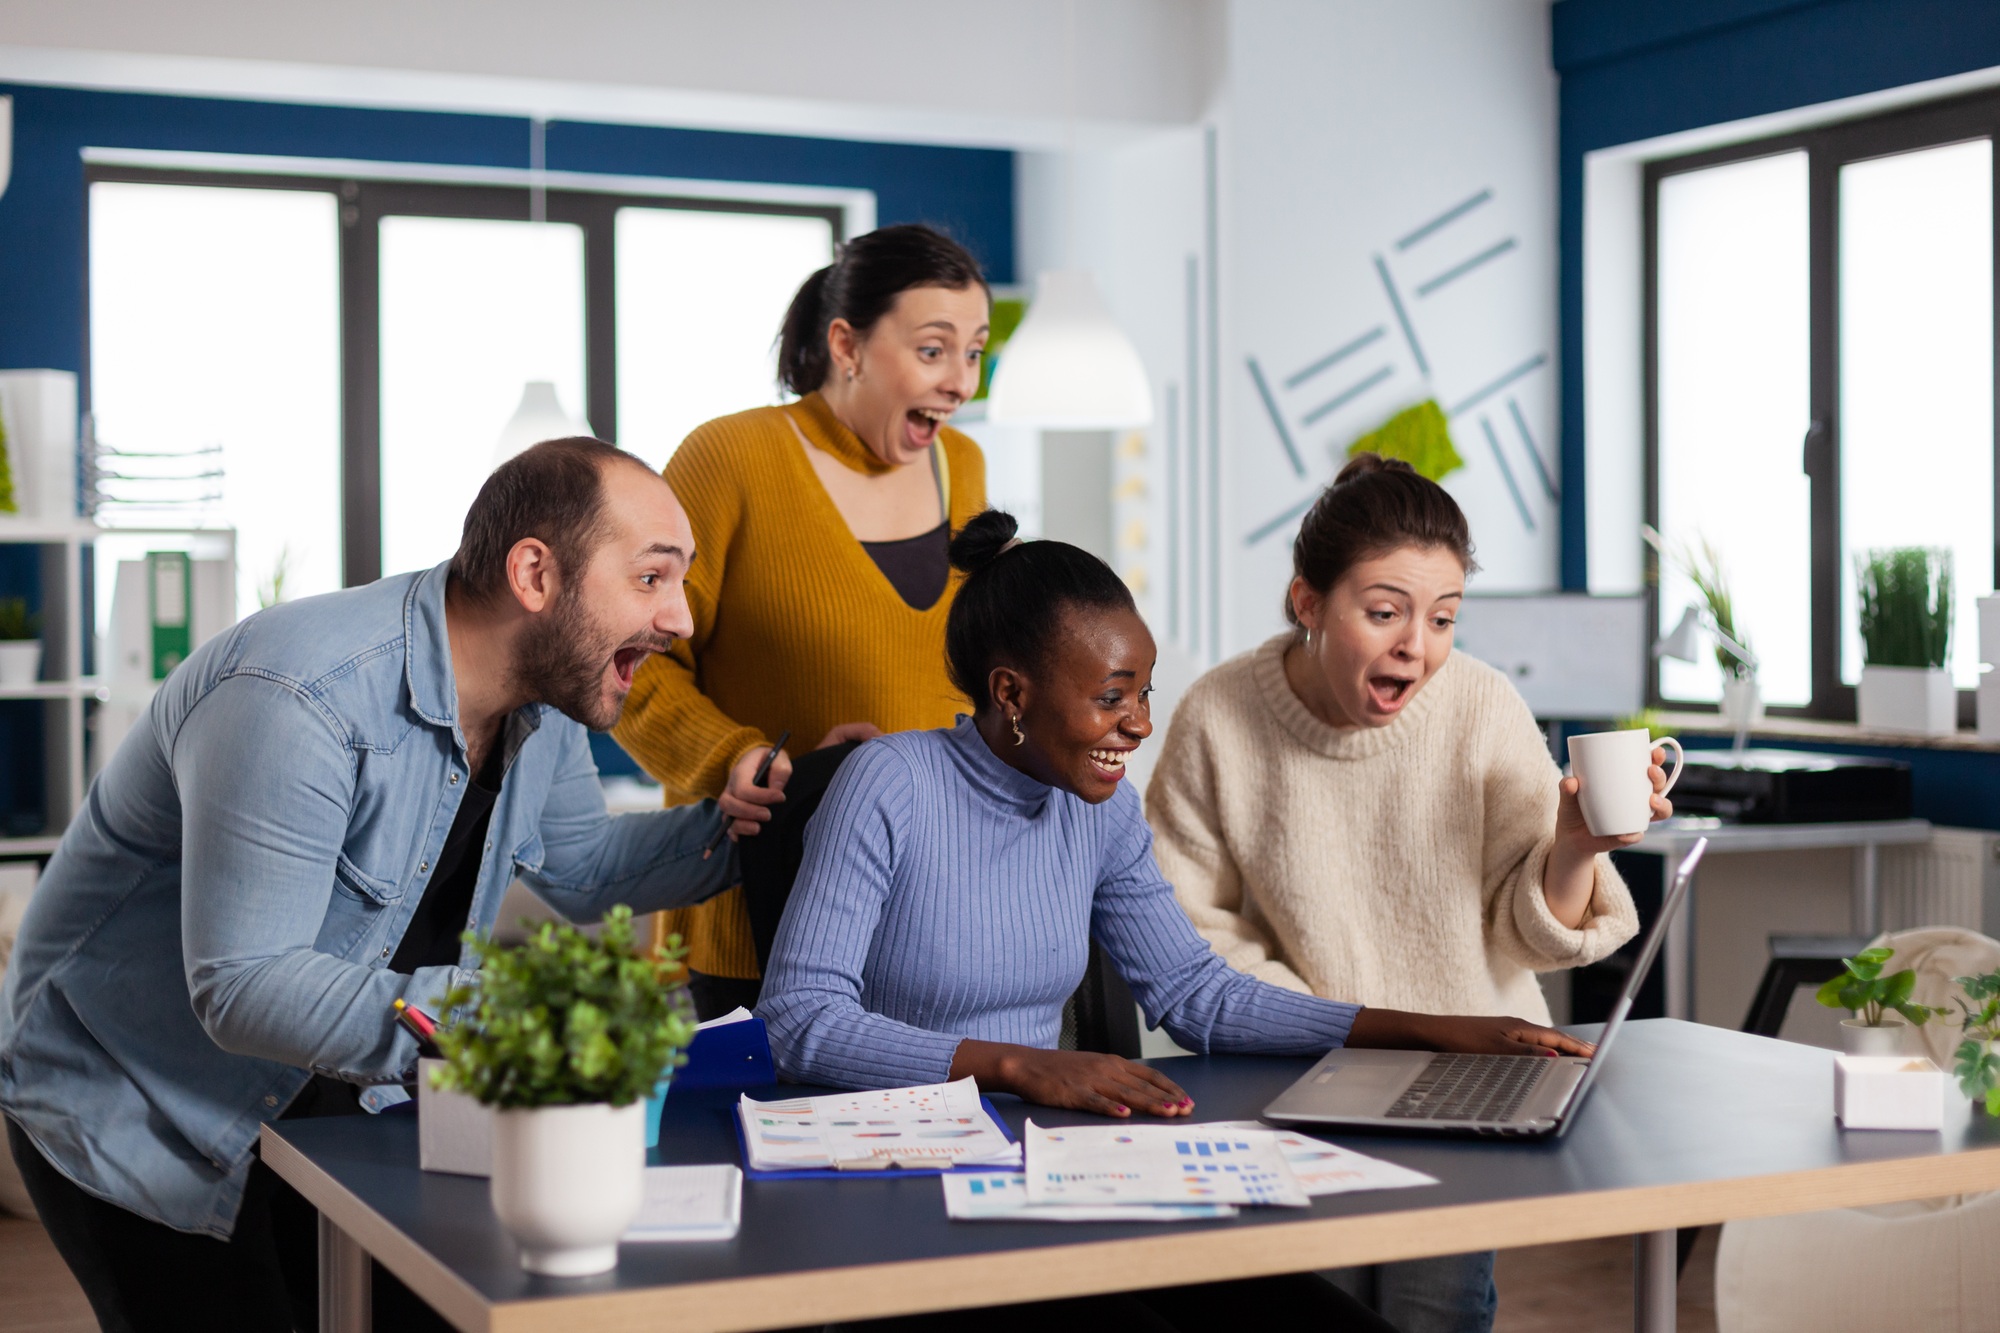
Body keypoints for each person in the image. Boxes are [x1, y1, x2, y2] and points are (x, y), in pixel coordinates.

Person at [759, 509, 1597, 1332]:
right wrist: (1015, 1064)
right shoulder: (889, 784)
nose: (1140, 724)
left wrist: (1423, 1029)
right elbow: (801, 1020)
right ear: (1012, 691)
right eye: (1110, 696)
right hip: (901, 1187)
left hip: (1052, 1172)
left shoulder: (1103, 810)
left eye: (1144, 692)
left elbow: (1198, 995)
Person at [0, 437, 740, 1332]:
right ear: (536, 574)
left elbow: (584, 870)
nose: (681, 619)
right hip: (134, 1094)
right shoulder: (298, 694)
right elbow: (244, 984)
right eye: (652, 578)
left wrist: (758, 823)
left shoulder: (541, 705)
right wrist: (510, 1017)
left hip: (316, 1092)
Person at [1145, 453, 1668, 1333]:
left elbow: (1531, 932)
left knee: (1437, 1312)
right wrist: (1316, 1027)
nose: (1415, 645)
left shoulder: (1483, 708)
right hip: (1293, 1085)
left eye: (1442, 618)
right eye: (1384, 612)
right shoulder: (1219, 713)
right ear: (1307, 601)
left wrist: (1575, 845)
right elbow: (1188, 927)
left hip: (1461, 1090)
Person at [614, 223, 991, 1019]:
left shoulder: (964, 467)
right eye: (933, 351)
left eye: (975, 352)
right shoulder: (729, 459)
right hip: (760, 917)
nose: (961, 382)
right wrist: (733, 755)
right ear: (846, 345)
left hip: (936, 921)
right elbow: (633, 659)